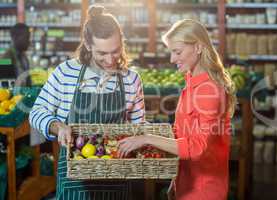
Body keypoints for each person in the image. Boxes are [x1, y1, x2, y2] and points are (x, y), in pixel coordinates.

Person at [29, 4, 145, 200]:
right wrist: (58, 127)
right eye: (102, 53)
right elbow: (36, 112)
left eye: (115, 51)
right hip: (74, 181)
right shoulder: (65, 72)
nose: (110, 60)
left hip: (116, 177)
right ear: (88, 46)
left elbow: (139, 126)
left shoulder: (131, 79)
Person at [117, 19, 236, 200]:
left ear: (198, 47)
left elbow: (198, 147)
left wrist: (147, 138)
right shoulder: (192, 82)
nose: (172, 59)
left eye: (177, 52)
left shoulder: (209, 91)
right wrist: (177, 176)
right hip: (187, 183)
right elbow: (183, 136)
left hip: (204, 190)